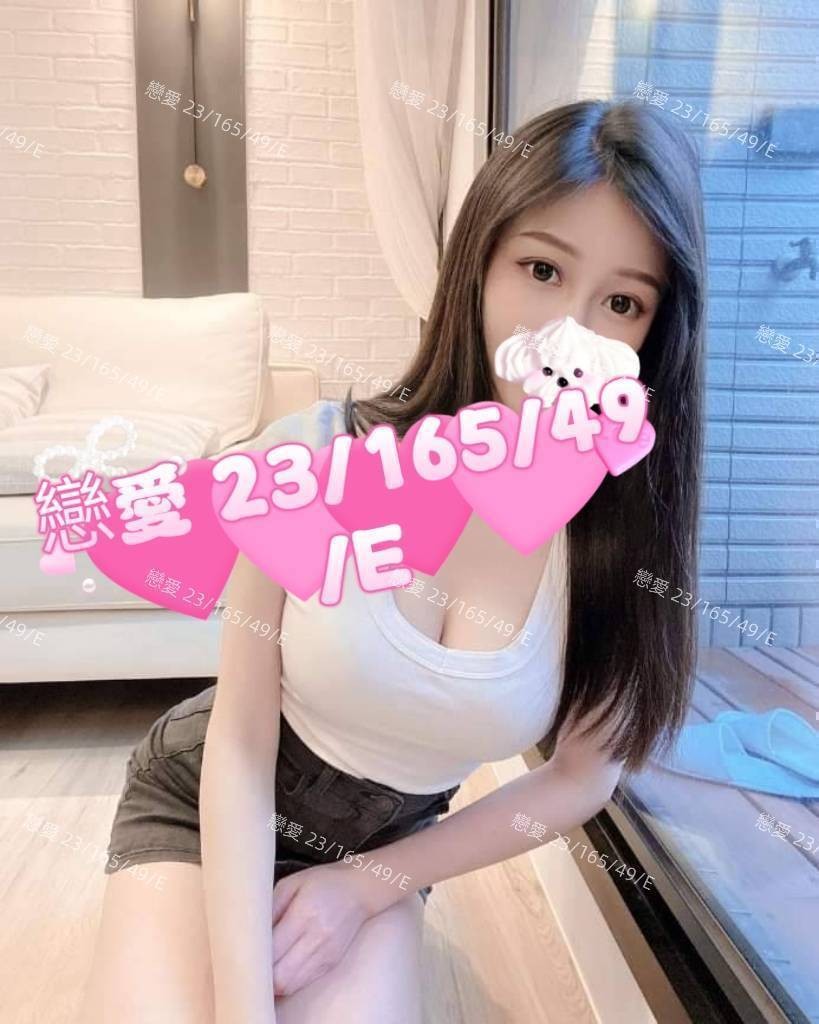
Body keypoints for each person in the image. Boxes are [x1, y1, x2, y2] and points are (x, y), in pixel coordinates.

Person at [77, 98, 705, 1024]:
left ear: (655, 333)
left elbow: (581, 776)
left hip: (381, 848)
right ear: (478, 264)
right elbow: (240, 741)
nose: (567, 331)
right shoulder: (317, 457)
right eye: (540, 269)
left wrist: (365, 886)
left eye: (621, 303)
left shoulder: (620, 545)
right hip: (205, 797)